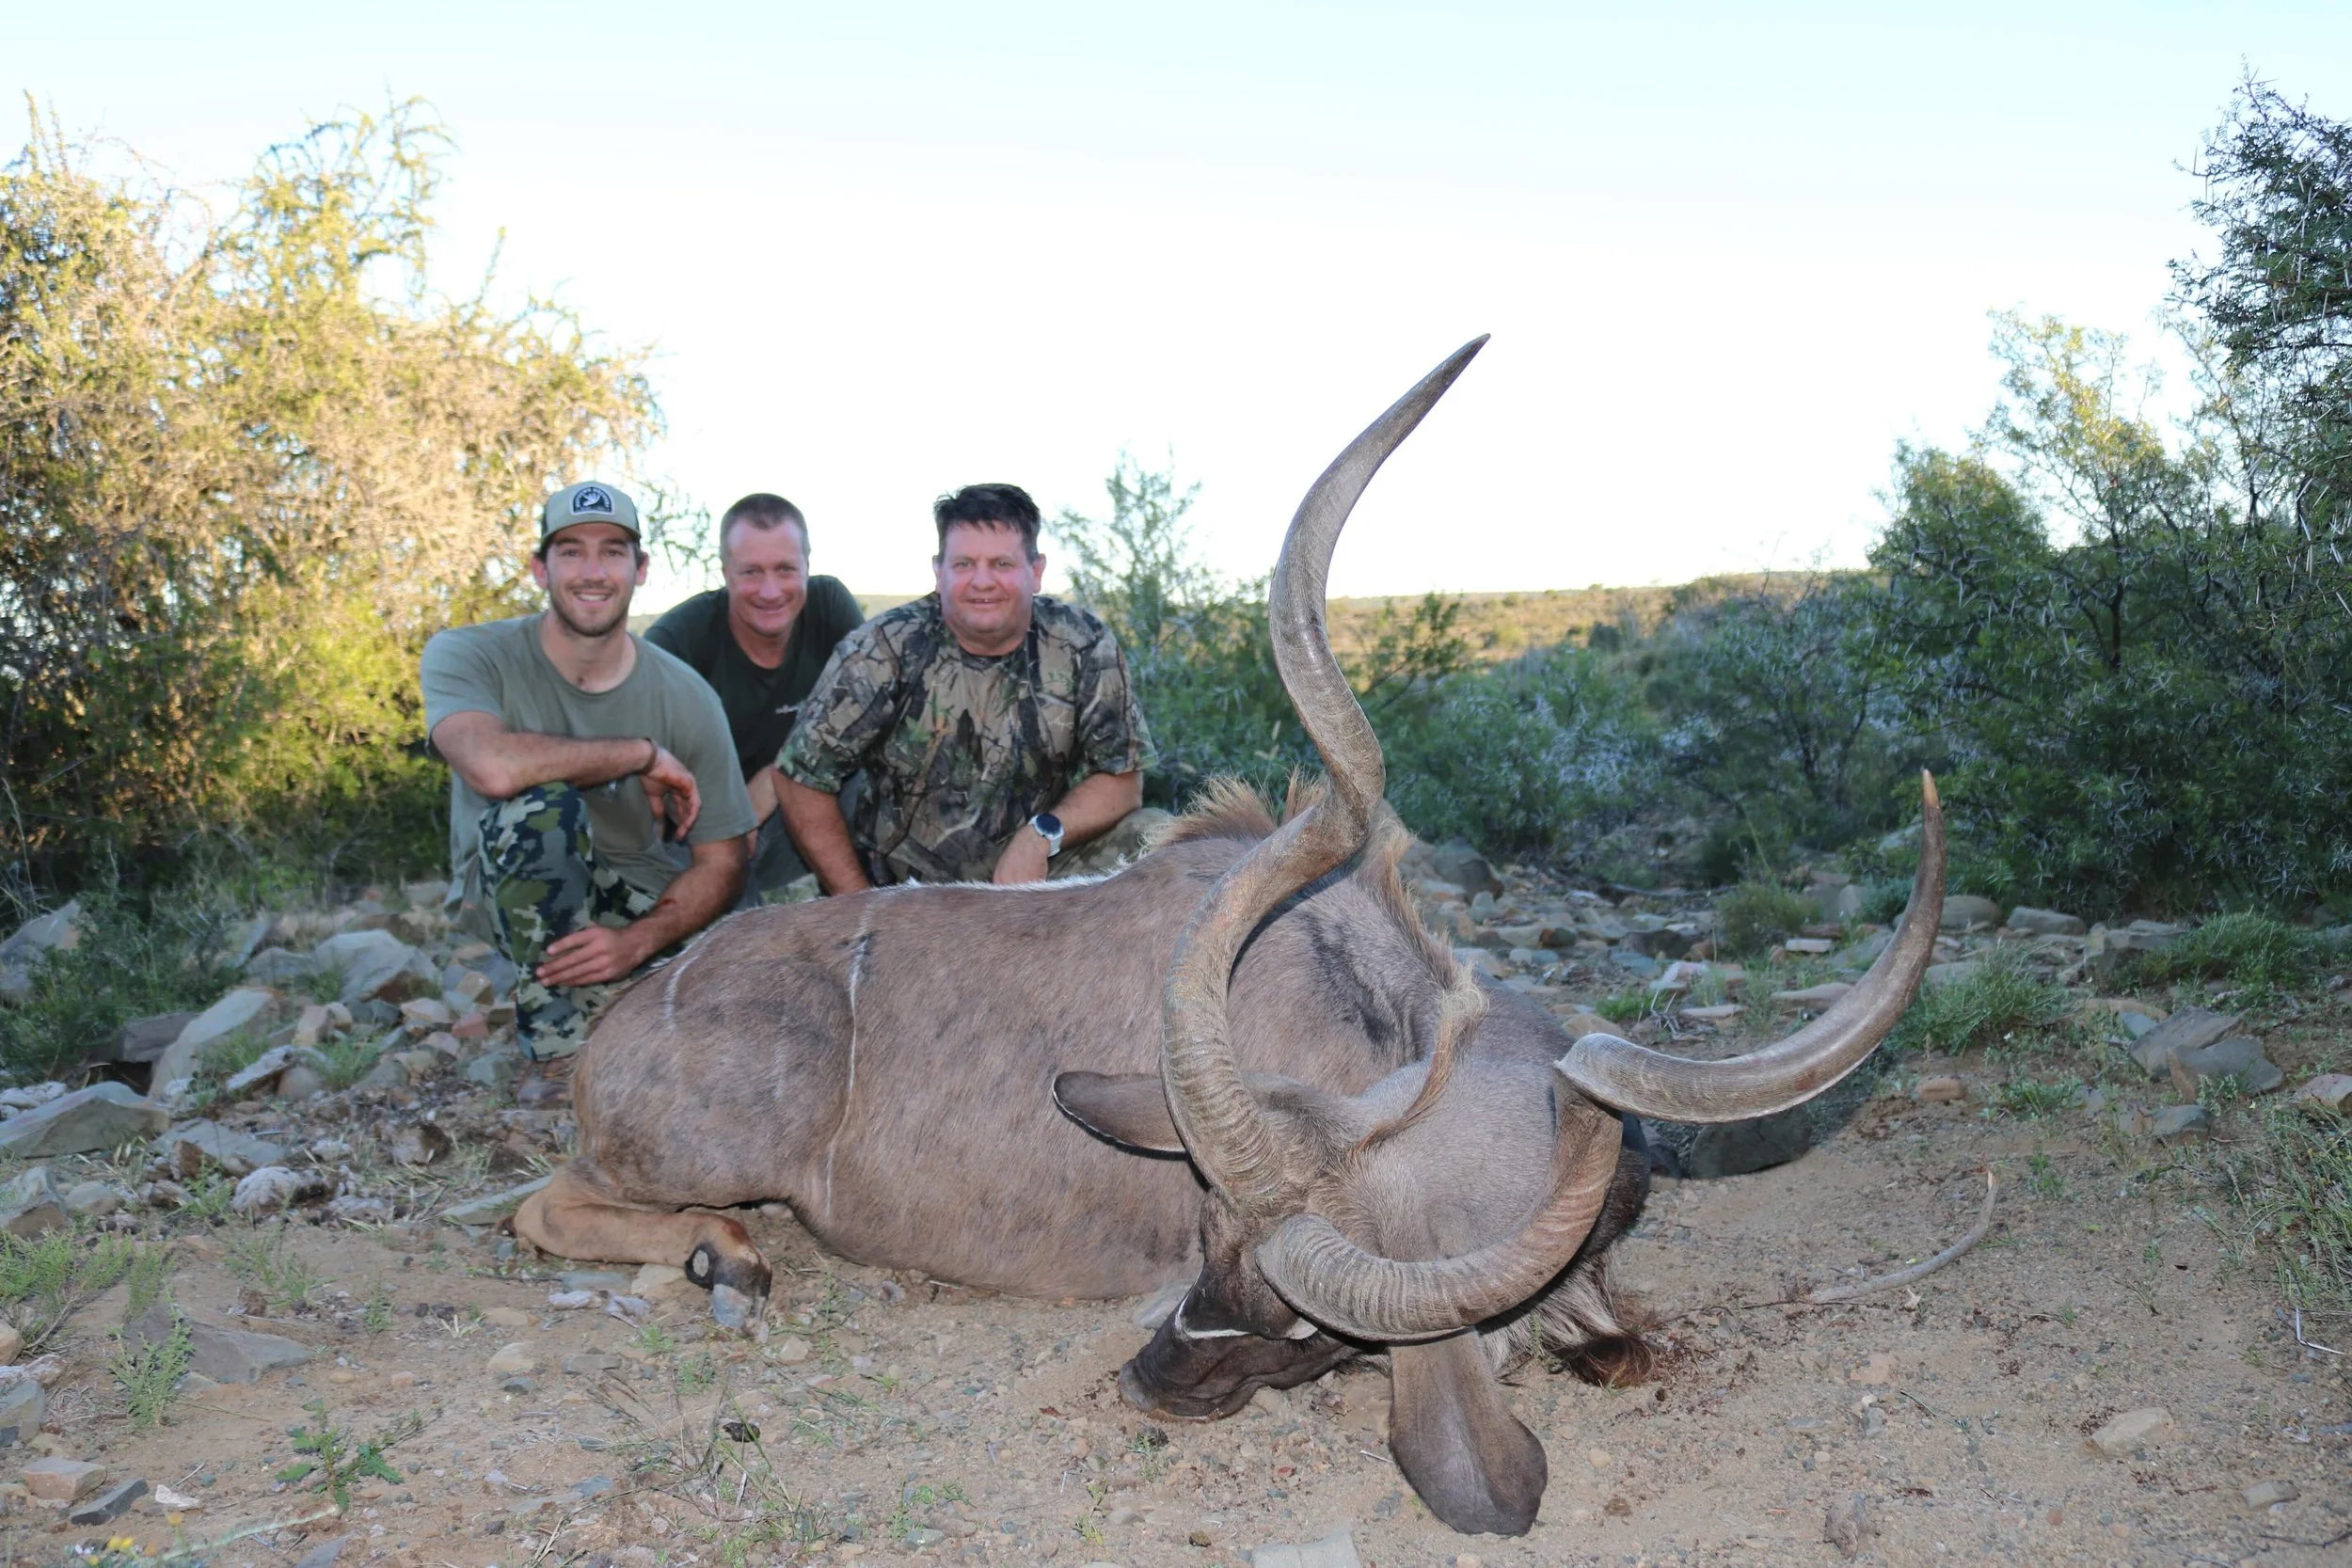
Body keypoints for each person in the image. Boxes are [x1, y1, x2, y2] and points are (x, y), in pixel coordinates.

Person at [421, 481, 755, 1075]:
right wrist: (640, 755)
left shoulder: (687, 695)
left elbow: (724, 860)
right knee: (541, 812)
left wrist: (637, 942)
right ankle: (557, 1053)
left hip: (637, 904)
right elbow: (491, 767)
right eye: (571, 551)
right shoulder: (466, 654)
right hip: (507, 892)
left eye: (613, 551)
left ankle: (629, 991)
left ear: (642, 568)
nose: (592, 571)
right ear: (538, 569)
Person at [775, 483, 1161, 890]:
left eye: (1001, 564)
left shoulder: (1083, 642)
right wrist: (858, 905)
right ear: (938, 572)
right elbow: (800, 777)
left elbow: (1123, 780)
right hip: (907, 892)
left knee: (1154, 834)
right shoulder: (883, 648)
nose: (982, 582)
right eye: (963, 564)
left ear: (1036, 571)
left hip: (1037, 876)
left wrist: (1040, 837)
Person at [644, 493, 863, 900]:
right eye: (751, 572)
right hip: (698, 840)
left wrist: (775, 778)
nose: (770, 591)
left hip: (792, 822)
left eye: (785, 569)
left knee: (872, 783)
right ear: (725, 571)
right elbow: (649, 770)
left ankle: (873, 921)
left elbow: (870, 718)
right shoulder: (676, 642)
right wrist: (726, 820)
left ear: (807, 567)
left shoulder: (830, 607)